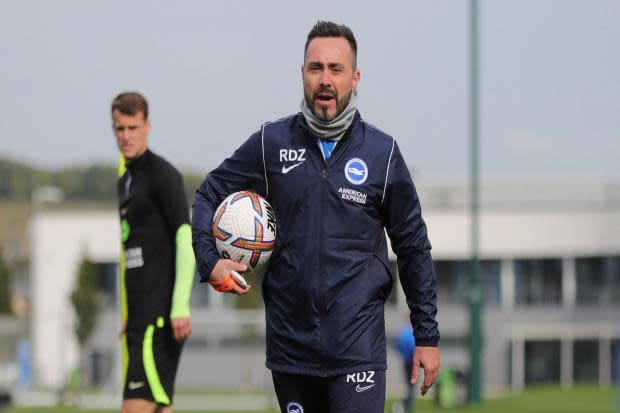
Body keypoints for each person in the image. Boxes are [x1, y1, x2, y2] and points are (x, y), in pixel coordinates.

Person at [192, 21, 440, 413]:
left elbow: (413, 247)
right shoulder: (271, 143)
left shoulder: (383, 154)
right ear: (303, 74)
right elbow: (208, 194)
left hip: (358, 349)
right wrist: (210, 263)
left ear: (355, 78)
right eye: (316, 67)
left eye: (336, 69)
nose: (325, 79)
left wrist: (426, 335)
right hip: (292, 351)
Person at [113, 92, 195, 413]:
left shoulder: (162, 175)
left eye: (133, 127)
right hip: (139, 321)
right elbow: (137, 250)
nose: (126, 136)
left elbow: (184, 236)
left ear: (147, 125)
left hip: (158, 322)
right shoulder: (126, 180)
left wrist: (179, 307)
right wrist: (129, 316)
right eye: (119, 129)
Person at [393, 324, 416, 413]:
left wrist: (403, 354)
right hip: (412, 362)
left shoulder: (403, 332)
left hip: (406, 362)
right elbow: (413, 347)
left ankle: (407, 405)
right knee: (411, 386)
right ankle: (406, 406)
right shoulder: (412, 333)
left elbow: (397, 345)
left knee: (409, 386)